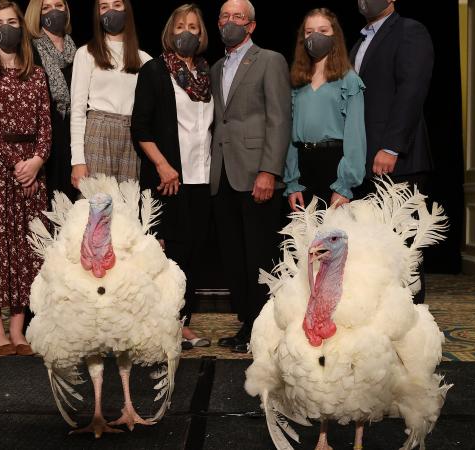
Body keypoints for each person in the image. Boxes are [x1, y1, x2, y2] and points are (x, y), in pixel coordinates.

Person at [0, 0, 51, 356]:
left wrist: (35, 162)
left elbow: (46, 126)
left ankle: (19, 330)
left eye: (13, 21)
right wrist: (20, 164)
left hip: (32, 171)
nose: (7, 28)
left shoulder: (37, 73)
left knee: (26, 250)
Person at [210, 0, 291, 353]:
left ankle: (264, 328)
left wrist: (269, 170)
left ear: (252, 25)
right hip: (223, 173)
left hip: (256, 172)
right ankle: (247, 324)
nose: (231, 21)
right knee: (234, 255)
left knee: (260, 255)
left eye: (238, 17)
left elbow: (279, 118)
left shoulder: (270, 60)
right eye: (225, 17)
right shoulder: (214, 67)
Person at [131, 4, 213, 350]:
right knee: (166, 256)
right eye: (180, 25)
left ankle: (182, 322)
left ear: (201, 33)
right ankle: (161, 326)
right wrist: (163, 165)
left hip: (203, 177)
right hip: (168, 178)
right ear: (170, 31)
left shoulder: (208, 75)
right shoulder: (154, 71)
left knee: (192, 254)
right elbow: (140, 126)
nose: (186, 32)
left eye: (193, 26)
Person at [350, 0, 434, 303]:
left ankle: (413, 330)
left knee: (403, 250)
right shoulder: (359, 41)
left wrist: (391, 146)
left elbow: (412, 90)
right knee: (373, 253)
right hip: (365, 162)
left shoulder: (410, 31)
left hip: (397, 161)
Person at [284, 8, 366, 212]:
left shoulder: (348, 79)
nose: (315, 37)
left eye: (322, 30)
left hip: (334, 165)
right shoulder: (298, 81)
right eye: (309, 32)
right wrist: (292, 181)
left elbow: (355, 136)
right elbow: (290, 137)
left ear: (334, 35)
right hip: (304, 166)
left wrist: (344, 186)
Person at [70, 0, 151, 188]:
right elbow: (78, 110)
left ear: (126, 10)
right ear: (97, 14)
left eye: (117, 5)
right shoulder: (86, 53)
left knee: (128, 209)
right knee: (96, 207)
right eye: (104, 7)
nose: (111, 11)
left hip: (131, 138)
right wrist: (78, 161)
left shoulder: (145, 59)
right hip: (99, 133)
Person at [24, 0, 78, 204]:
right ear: (36, 14)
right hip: (44, 140)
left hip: (72, 137)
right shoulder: (28, 49)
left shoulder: (79, 52)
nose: (53, 12)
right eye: (46, 8)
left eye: (59, 5)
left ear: (66, 9)